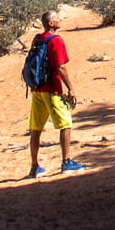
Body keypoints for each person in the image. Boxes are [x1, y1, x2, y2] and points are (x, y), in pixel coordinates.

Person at [25, 10, 84, 178]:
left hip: (37, 89)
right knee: (65, 124)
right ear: (51, 23)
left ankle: (34, 167)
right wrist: (71, 88)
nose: (60, 20)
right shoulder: (56, 40)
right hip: (52, 89)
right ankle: (67, 162)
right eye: (57, 18)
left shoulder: (38, 38)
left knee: (36, 128)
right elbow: (60, 67)